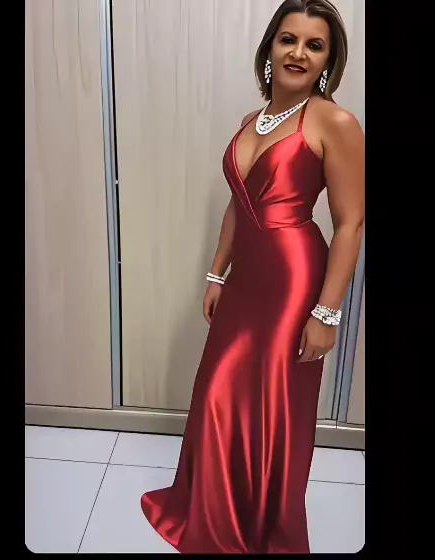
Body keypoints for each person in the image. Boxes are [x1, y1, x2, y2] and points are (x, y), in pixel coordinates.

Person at [141, 0, 365, 553]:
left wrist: (327, 313)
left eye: (315, 45)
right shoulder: (251, 120)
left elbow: (351, 221)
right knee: (218, 390)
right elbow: (237, 205)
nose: (299, 53)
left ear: (328, 61)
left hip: (293, 280)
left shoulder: (334, 122)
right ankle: (213, 507)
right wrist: (216, 273)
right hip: (245, 279)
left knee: (271, 403)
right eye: (289, 39)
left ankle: (261, 527)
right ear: (269, 48)